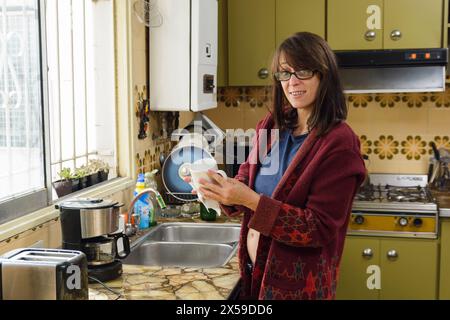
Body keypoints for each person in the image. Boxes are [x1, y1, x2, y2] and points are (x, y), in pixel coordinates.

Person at [188, 32, 366, 300]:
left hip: (297, 290)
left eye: (303, 71)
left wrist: (249, 200)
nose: (292, 82)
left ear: (324, 74)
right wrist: (219, 189)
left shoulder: (339, 143)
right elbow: (247, 179)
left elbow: (316, 228)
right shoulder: (271, 125)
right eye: (284, 73)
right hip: (255, 273)